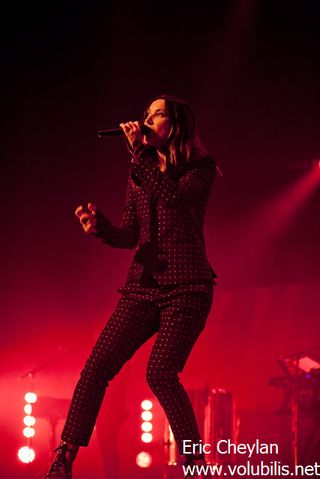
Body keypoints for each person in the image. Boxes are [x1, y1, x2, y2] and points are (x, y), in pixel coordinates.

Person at [44, 94, 218, 479]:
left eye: (157, 114)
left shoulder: (200, 166)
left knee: (160, 373)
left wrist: (139, 155)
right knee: (95, 367)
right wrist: (101, 228)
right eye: (146, 114)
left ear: (177, 125)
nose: (147, 119)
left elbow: (173, 198)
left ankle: (194, 462)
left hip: (187, 286)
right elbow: (131, 235)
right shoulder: (138, 170)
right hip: (143, 286)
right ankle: (64, 459)